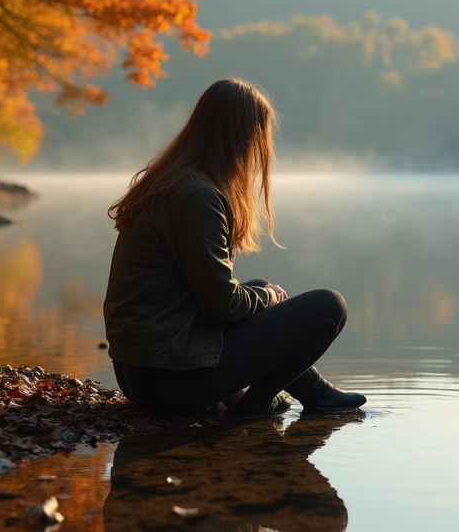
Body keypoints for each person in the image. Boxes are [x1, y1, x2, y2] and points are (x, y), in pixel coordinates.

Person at [102, 77, 365, 420]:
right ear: (242, 136)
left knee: (255, 287)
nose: (261, 148)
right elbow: (223, 304)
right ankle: (255, 404)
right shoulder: (197, 197)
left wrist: (261, 295)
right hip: (168, 380)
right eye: (260, 136)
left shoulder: (175, 182)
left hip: (145, 370)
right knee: (330, 306)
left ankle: (312, 394)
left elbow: (208, 298)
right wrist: (270, 298)